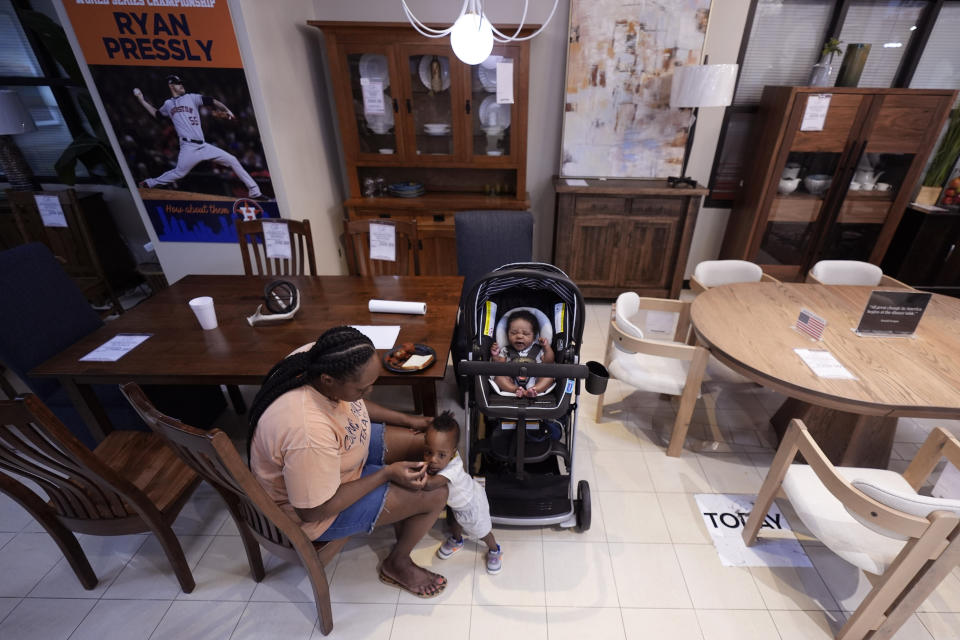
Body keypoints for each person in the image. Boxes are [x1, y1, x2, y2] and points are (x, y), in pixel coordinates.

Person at [247, 326, 449, 598]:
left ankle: (402, 511)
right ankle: (397, 562)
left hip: (340, 456)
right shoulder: (308, 432)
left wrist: (408, 419)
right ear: (329, 381)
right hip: (315, 511)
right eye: (363, 388)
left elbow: (355, 404)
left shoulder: (315, 357)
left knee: (424, 445)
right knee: (437, 493)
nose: (369, 392)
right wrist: (384, 475)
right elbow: (314, 511)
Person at [132, 74, 263, 199]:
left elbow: (212, 101)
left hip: (203, 145)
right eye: (178, 83)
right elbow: (157, 115)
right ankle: (149, 183)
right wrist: (141, 100)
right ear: (171, 86)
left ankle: (254, 191)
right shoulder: (168, 104)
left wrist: (227, 110)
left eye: (181, 83)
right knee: (179, 173)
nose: (181, 85)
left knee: (232, 160)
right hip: (188, 147)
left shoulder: (191, 97)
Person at [424, 411, 502, 574]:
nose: (433, 460)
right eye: (428, 452)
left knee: (482, 532)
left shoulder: (450, 470)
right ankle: (457, 540)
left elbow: (430, 484)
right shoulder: (447, 455)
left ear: (453, 453)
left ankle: (494, 550)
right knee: (454, 523)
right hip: (457, 503)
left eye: (441, 455)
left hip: (472, 504)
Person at [490, 309, 555, 397]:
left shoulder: (538, 349)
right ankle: (515, 390)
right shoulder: (506, 350)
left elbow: (548, 361)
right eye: (513, 333)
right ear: (507, 334)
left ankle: (534, 390)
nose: (519, 336)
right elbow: (499, 364)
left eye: (526, 333)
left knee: (549, 377)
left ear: (534, 336)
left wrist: (546, 347)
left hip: (535, 379)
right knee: (498, 378)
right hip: (512, 380)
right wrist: (495, 356)